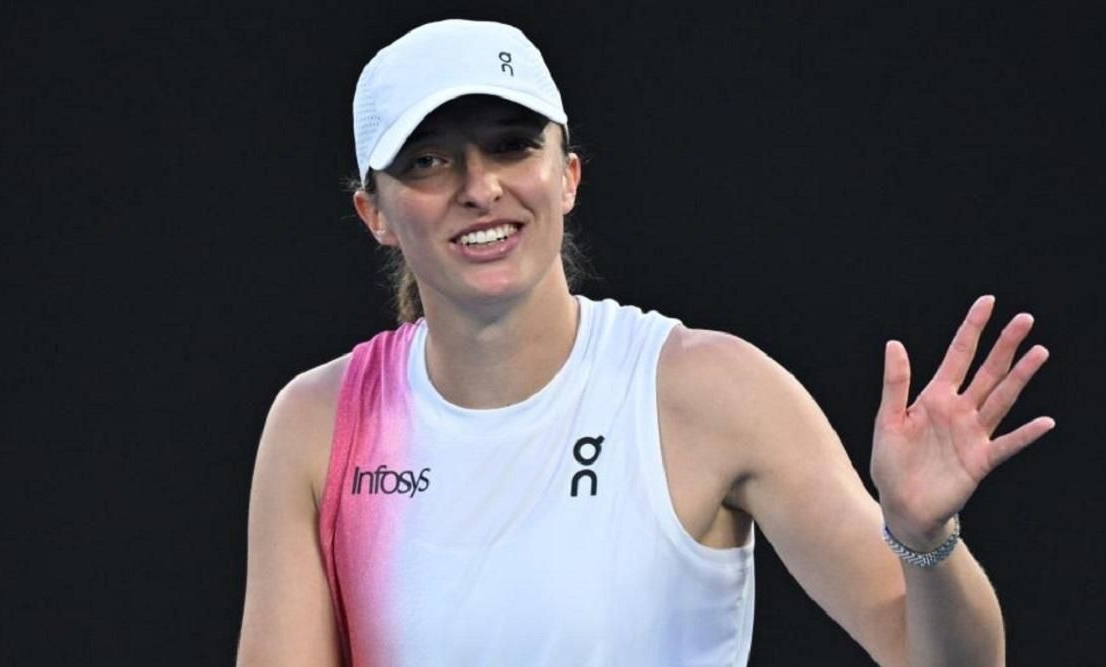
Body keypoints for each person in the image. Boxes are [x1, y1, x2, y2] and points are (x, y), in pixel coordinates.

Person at [237, 19, 1054, 667]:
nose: (480, 187)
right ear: (374, 214)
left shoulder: (712, 391)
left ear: (567, 175)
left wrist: (924, 541)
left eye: (512, 145)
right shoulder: (315, 424)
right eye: (427, 162)